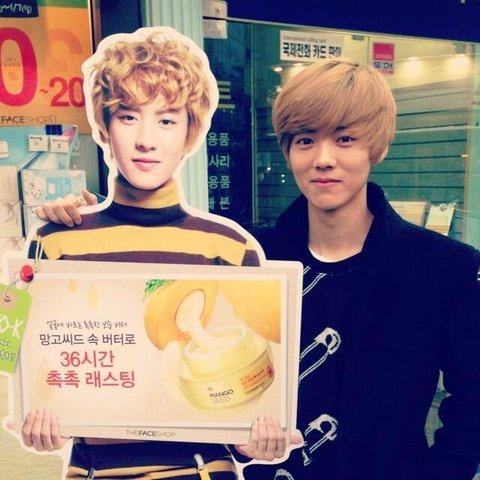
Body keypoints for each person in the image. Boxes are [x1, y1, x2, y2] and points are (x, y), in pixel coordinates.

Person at [33, 58, 480, 479]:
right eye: (305, 140)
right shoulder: (244, 255)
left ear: (376, 147)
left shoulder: (443, 269)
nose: (323, 158)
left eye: (345, 139)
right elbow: (146, 310)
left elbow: (472, 401)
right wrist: (87, 225)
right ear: (287, 150)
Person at [12, 27, 290, 480]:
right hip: (96, 471)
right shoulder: (57, 240)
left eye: (167, 120)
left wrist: (254, 439)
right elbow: (13, 354)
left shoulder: (230, 246)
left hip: (201, 470)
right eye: (128, 116)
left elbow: (255, 396)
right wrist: (37, 419)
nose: (146, 139)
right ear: (104, 126)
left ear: (190, 132)